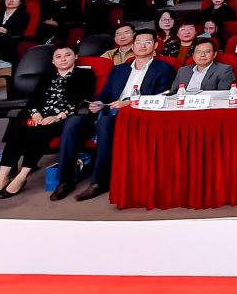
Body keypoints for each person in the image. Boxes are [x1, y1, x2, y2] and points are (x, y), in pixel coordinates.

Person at [52, 30, 174, 201]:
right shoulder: (119, 69)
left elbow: (161, 96)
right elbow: (106, 93)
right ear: (133, 46)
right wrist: (98, 102)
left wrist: (129, 103)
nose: (142, 46)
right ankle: (65, 180)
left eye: (147, 42)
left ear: (155, 46)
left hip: (135, 115)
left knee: (105, 123)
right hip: (108, 110)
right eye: (138, 42)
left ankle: (99, 182)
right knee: (73, 123)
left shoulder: (164, 69)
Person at [0, 45, 91, 198]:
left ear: (75, 56)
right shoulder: (47, 76)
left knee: (40, 132)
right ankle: (3, 177)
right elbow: (34, 98)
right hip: (40, 116)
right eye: (58, 56)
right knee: (17, 130)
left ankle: (22, 176)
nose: (63, 59)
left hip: (63, 118)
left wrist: (58, 116)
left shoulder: (85, 74)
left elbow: (82, 100)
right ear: (53, 61)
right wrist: (35, 114)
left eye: (67, 55)